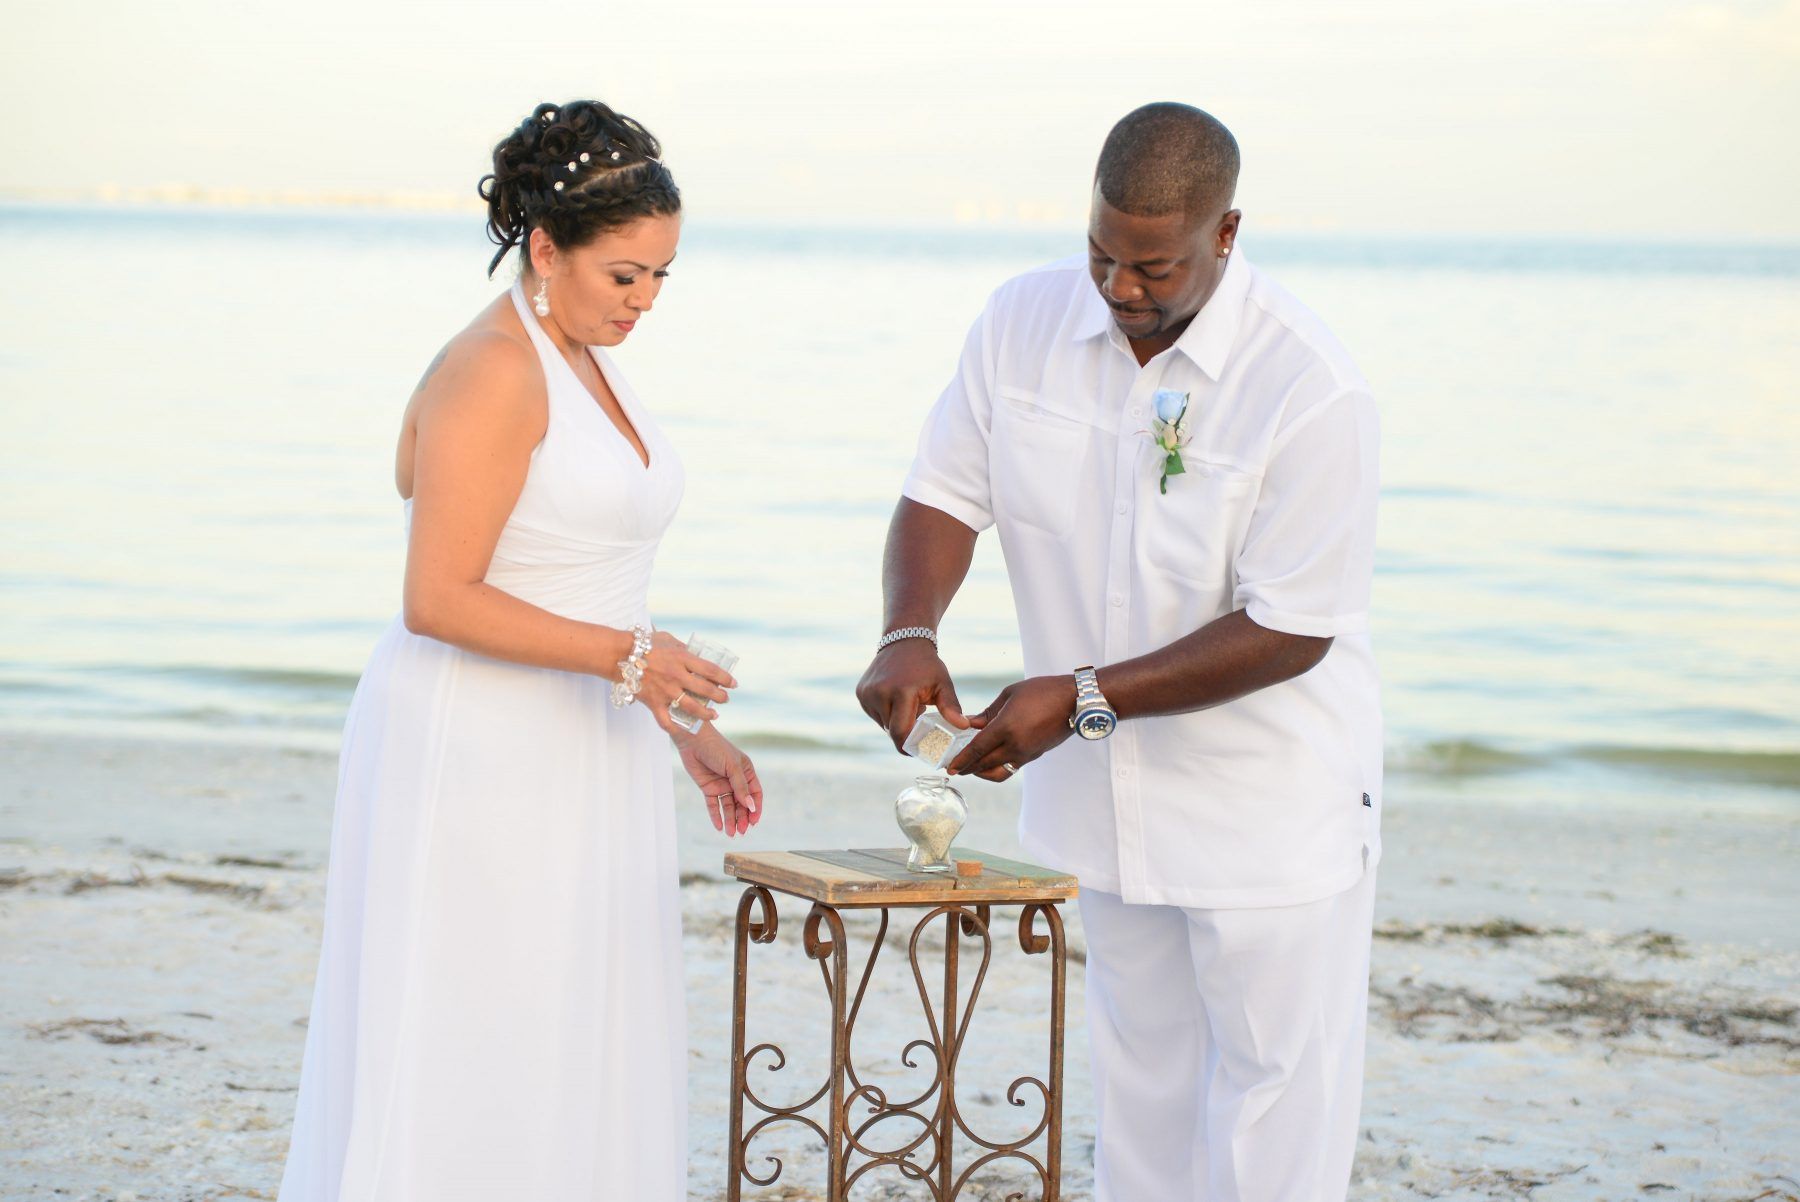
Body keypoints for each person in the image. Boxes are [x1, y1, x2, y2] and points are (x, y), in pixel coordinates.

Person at [857, 102, 1381, 1200]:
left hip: (1266, 809)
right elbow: (942, 493)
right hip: (1100, 802)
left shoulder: (1310, 385)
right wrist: (911, 631)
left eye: (1154, 265)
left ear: (1226, 234)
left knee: (1276, 1103)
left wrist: (1081, 697)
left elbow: (1292, 623)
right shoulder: (1020, 321)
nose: (1121, 287)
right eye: (1103, 253)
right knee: (1139, 1086)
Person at [277, 100, 763, 1201]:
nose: (642, 302)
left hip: (584, 735)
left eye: (660, 278)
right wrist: (631, 659)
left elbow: (578, 572)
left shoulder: (580, 352)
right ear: (546, 247)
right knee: (482, 1025)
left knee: (571, 1024)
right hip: (481, 745)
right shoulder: (495, 367)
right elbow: (436, 595)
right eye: (623, 274)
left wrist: (686, 725)